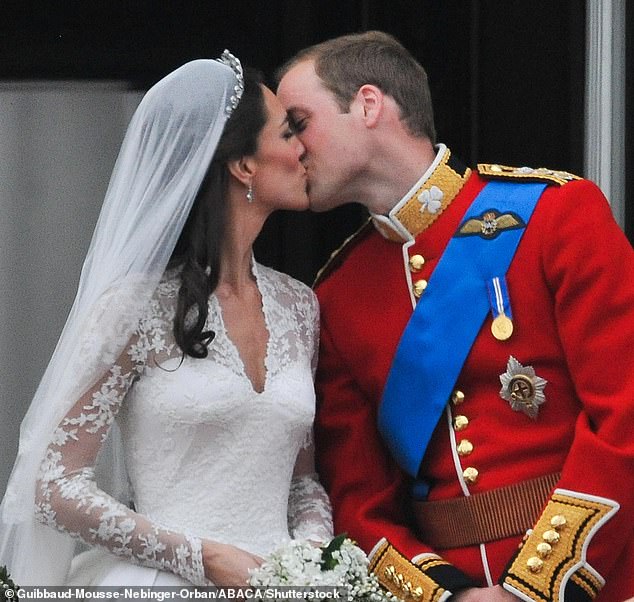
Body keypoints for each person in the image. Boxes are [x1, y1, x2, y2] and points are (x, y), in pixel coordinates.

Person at [276, 31, 634, 601]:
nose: (289, 147)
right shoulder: (338, 293)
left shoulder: (554, 216)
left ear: (368, 105)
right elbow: (358, 500)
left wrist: (532, 587)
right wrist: (449, 594)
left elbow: (625, 418)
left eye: (298, 122)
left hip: (598, 577)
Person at [0, 52, 333, 587]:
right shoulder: (134, 308)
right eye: (288, 133)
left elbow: (301, 481)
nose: (304, 149)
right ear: (244, 164)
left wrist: (312, 561)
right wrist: (204, 559)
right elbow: (53, 483)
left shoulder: (300, 307)